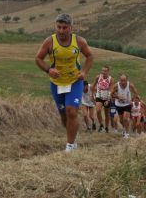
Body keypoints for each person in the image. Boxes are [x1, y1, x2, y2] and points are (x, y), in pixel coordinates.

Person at [35, 13, 93, 152]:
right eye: (59, 27)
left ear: (71, 28)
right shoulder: (49, 42)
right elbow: (38, 59)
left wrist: (84, 72)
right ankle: (73, 135)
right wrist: (49, 70)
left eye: (64, 28)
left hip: (74, 82)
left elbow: (89, 56)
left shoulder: (79, 41)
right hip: (57, 83)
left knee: (71, 111)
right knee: (64, 116)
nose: (61, 31)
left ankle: (70, 146)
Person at [111, 74, 139, 138]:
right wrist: (118, 97)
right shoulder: (116, 85)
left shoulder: (130, 85)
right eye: (121, 80)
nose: (123, 82)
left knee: (125, 119)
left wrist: (132, 100)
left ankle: (127, 133)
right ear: (119, 80)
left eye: (124, 80)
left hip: (127, 104)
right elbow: (111, 94)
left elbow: (136, 93)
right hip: (118, 105)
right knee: (121, 120)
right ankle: (125, 129)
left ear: (127, 80)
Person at [91, 66, 115, 133]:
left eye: (105, 71)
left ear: (108, 71)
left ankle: (106, 127)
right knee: (98, 110)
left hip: (107, 97)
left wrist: (108, 100)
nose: (103, 72)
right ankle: (101, 125)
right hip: (99, 95)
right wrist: (92, 95)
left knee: (106, 113)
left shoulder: (111, 79)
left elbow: (111, 90)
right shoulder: (98, 77)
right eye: (102, 71)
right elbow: (93, 86)